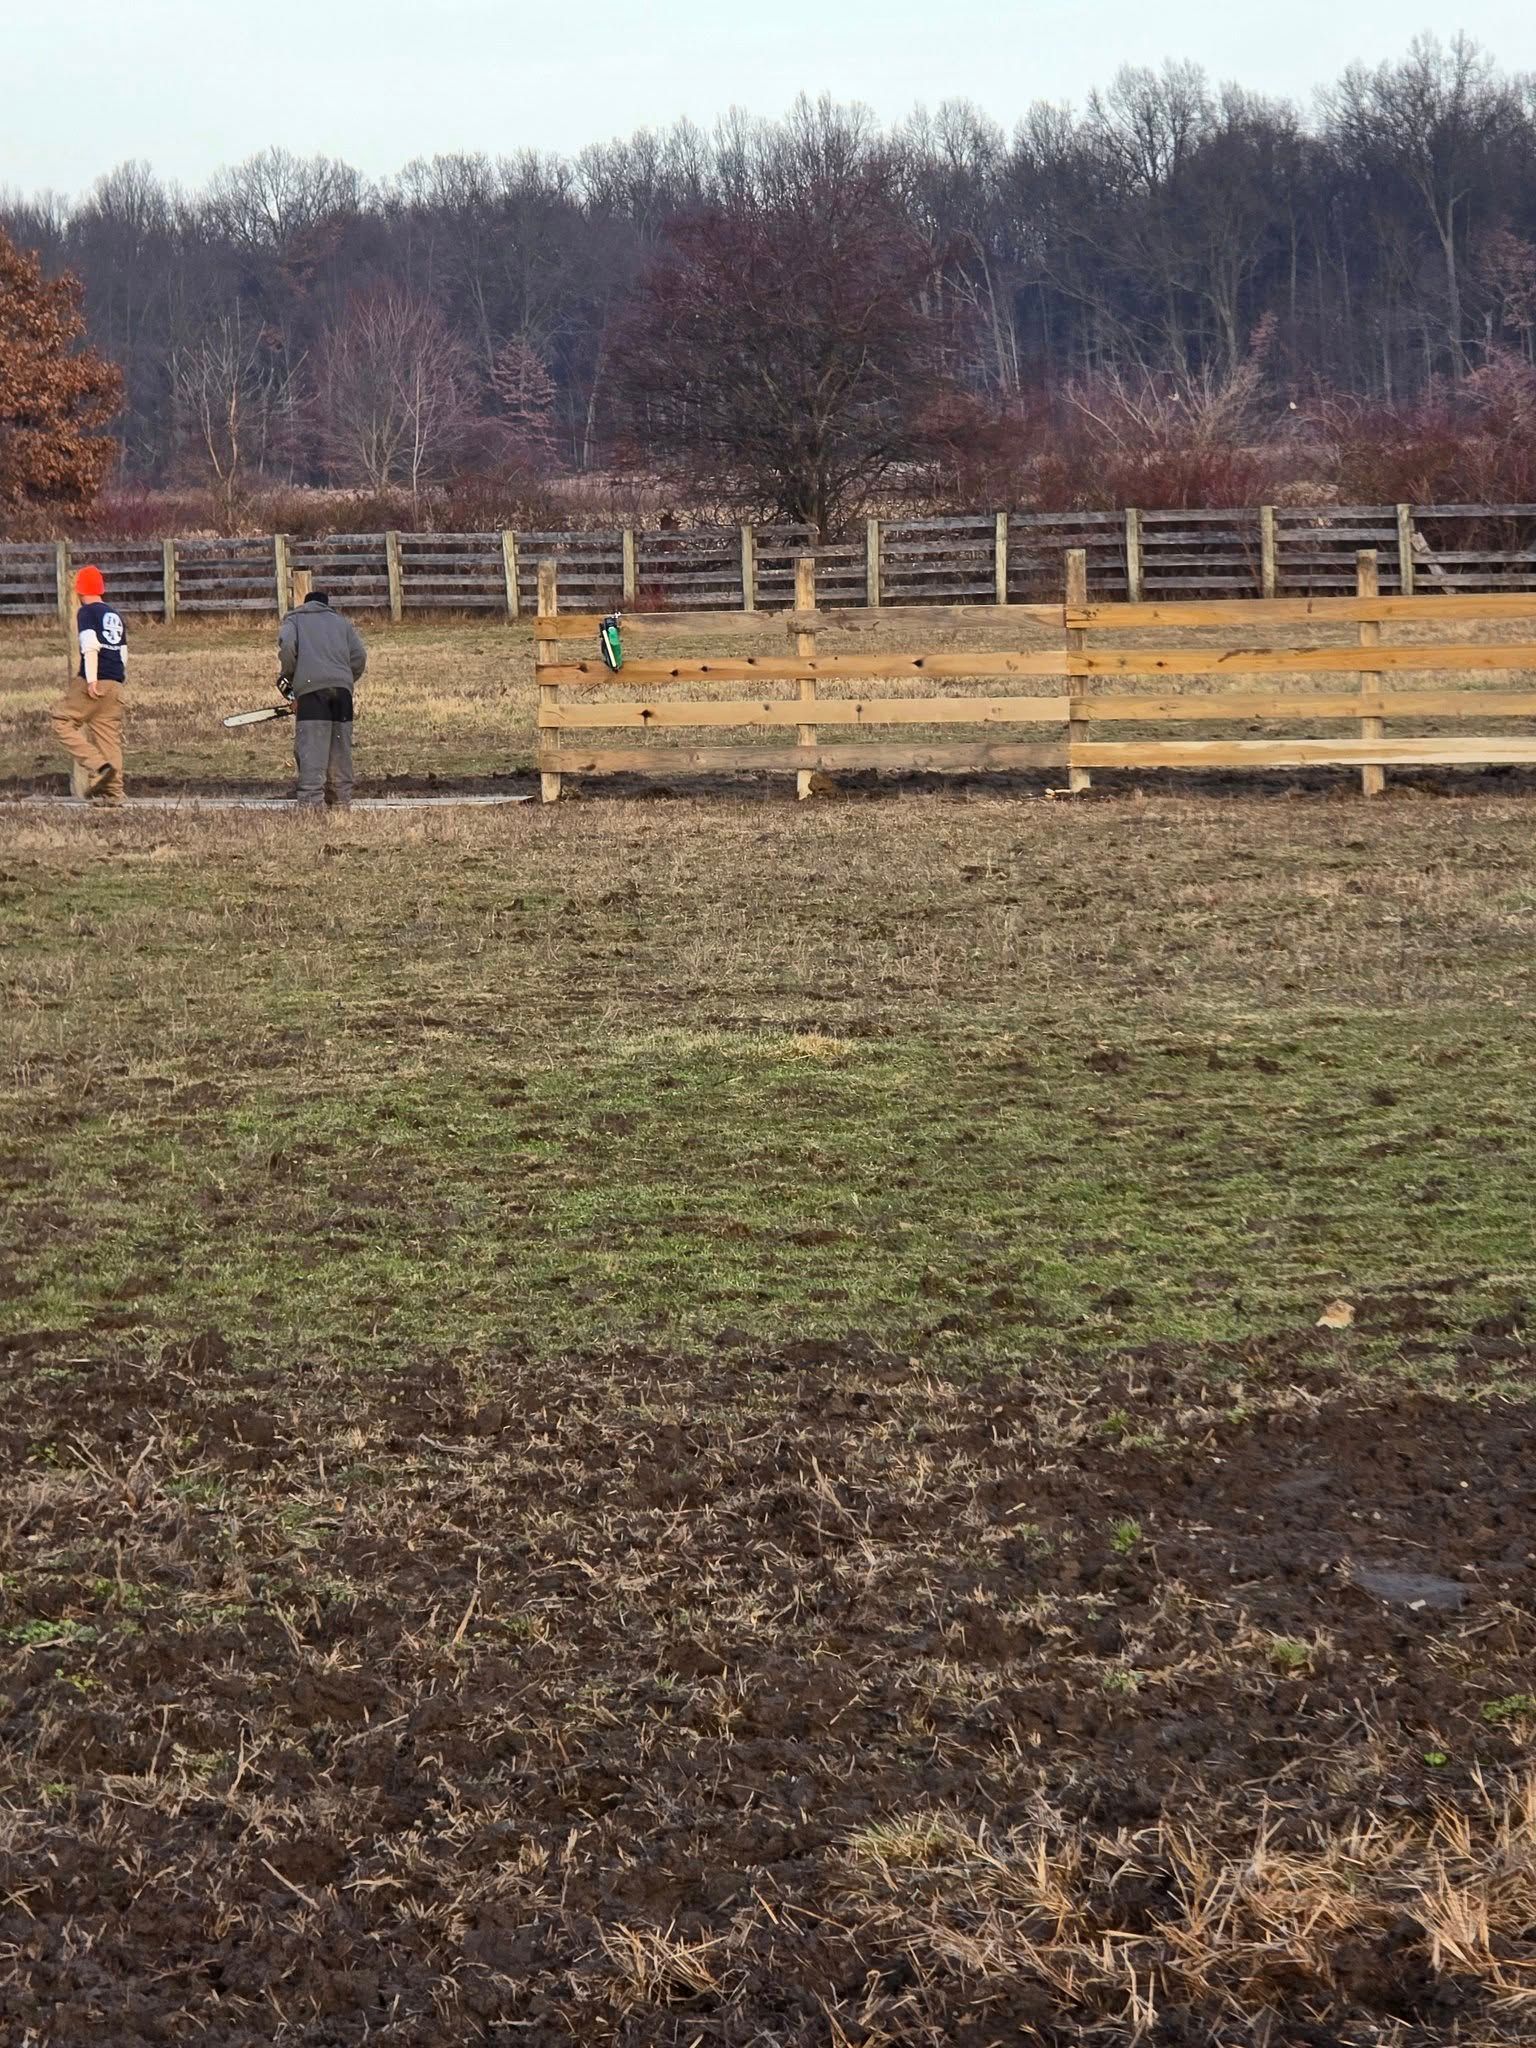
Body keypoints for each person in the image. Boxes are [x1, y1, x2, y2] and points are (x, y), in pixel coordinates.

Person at [277, 587, 368, 809]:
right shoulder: (342, 623)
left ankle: (311, 805)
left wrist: (290, 679)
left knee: (312, 750)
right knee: (340, 750)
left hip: (311, 693)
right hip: (343, 694)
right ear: (326, 604)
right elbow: (359, 657)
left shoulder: (294, 620)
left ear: (305, 604)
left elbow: (287, 646)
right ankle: (340, 803)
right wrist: (344, 680)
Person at [50, 564, 128, 806]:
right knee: (108, 737)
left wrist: (92, 680)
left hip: (94, 680)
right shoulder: (114, 614)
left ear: (79, 589)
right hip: (116, 681)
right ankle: (115, 794)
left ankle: (98, 765)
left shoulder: (87, 613)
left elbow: (90, 645)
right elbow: (123, 651)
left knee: (61, 721)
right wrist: (117, 679)